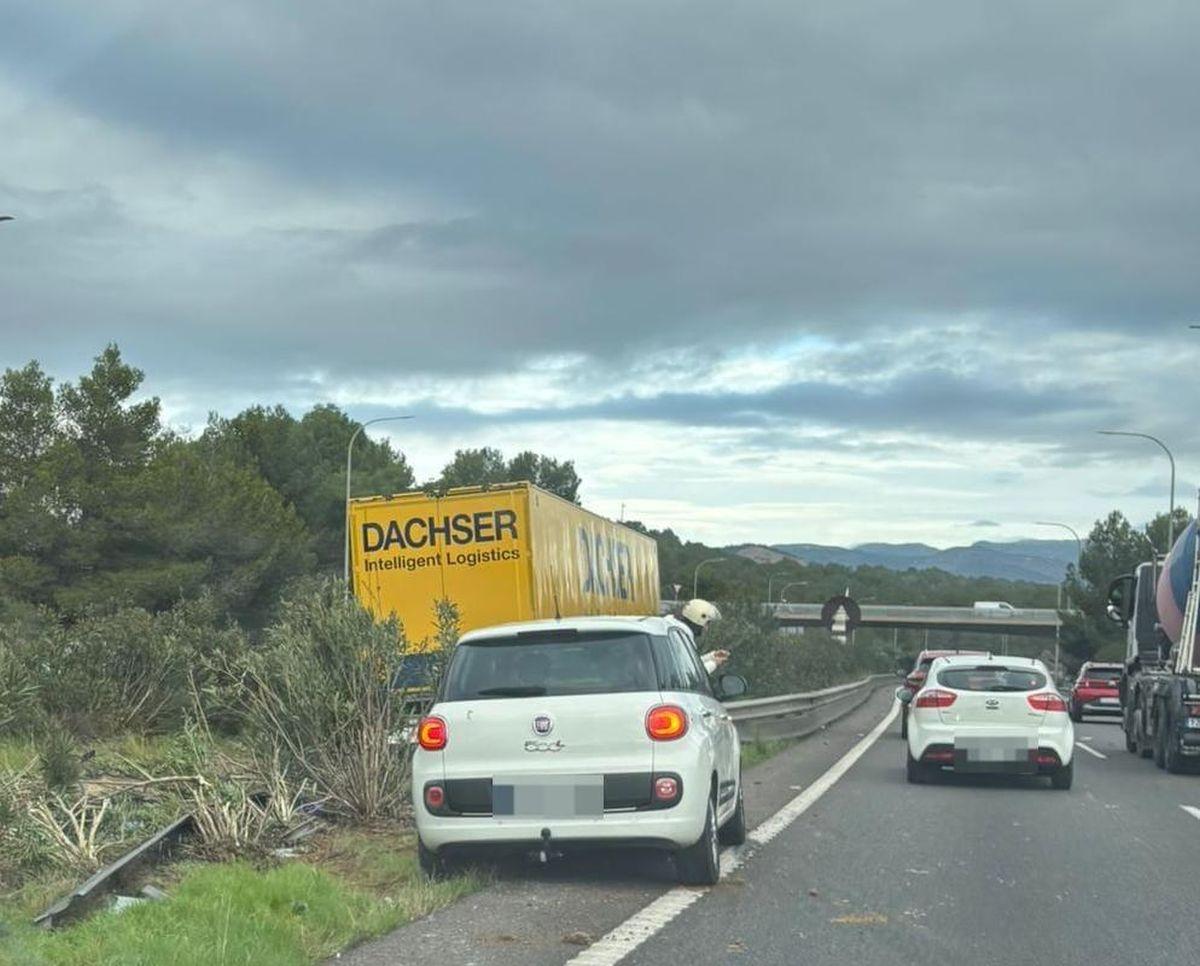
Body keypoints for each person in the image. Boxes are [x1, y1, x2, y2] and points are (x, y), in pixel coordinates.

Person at [678, 598, 730, 674]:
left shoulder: (678, 634)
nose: (706, 628)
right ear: (699, 619)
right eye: (707, 623)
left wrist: (712, 656)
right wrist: (714, 663)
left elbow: (690, 663)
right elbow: (690, 673)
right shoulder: (680, 639)